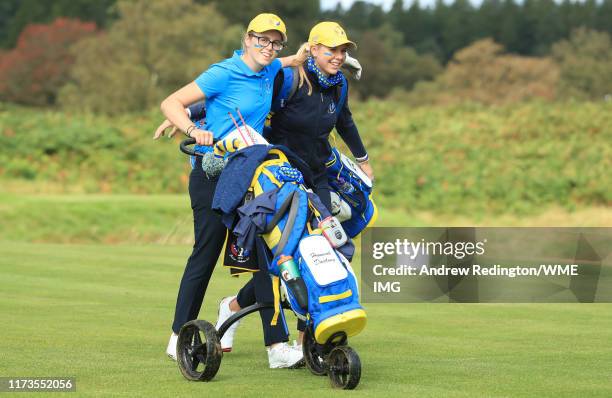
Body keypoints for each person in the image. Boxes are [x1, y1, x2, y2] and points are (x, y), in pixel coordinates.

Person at [156, 13, 304, 369]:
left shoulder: (270, 69)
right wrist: (192, 128)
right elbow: (170, 102)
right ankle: (179, 334)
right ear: (247, 38)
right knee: (205, 254)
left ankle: (277, 348)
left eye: (275, 42)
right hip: (212, 175)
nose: (268, 47)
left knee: (265, 258)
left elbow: (282, 63)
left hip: (248, 177)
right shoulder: (223, 71)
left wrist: (300, 57)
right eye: (262, 40)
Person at [215, 21, 374, 351]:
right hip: (278, 174)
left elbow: (344, 120)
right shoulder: (286, 78)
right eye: (331, 49)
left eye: (343, 50)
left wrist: (362, 158)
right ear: (313, 49)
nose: (338, 56)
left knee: (323, 249)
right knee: (286, 254)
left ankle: (306, 340)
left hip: (317, 175)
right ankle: (232, 309)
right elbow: (250, 102)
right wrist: (195, 112)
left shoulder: (339, 83)